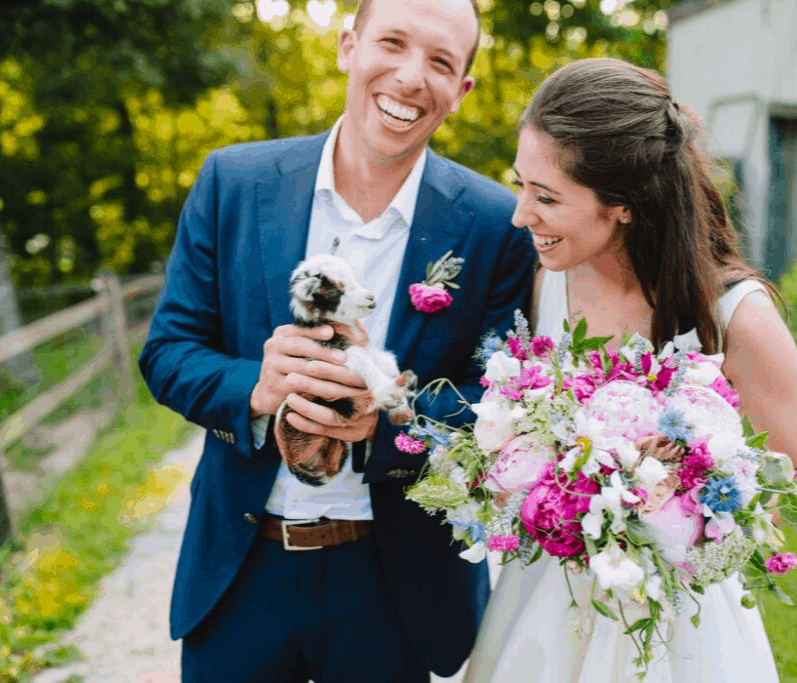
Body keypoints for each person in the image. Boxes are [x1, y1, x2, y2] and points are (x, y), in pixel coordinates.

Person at [136, 0, 536, 680]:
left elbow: (504, 401)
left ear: (461, 91)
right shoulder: (232, 182)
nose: (412, 77)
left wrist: (395, 419)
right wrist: (255, 389)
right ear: (349, 45)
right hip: (241, 573)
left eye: (441, 61)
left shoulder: (499, 225)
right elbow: (168, 351)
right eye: (393, 43)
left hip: (394, 583)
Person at [463, 59, 797, 683]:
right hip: (543, 606)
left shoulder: (734, 315)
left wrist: (683, 514)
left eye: (546, 196)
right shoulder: (546, 283)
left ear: (624, 206)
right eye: (520, 184)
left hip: (679, 626)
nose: (518, 214)